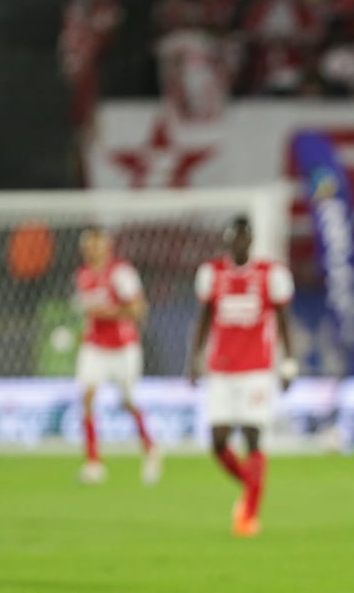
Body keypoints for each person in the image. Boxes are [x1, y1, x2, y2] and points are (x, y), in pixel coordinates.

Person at [188, 216, 297, 537]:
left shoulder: (269, 274)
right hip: (221, 368)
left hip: (256, 368)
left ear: (251, 240)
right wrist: (194, 358)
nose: (239, 242)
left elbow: (283, 319)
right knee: (218, 440)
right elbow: (205, 317)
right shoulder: (212, 274)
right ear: (227, 239)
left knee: (252, 435)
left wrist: (288, 361)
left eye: (244, 237)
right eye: (234, 236)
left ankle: (248, 514)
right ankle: (251, 484)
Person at [73, 225, 161, 485]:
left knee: (128, 401)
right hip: (95, 346)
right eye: (88, 245)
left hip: (123, 347)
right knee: (87, 396)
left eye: (96, 243)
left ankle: (150, 449)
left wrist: (105, 313)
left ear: (107, 245)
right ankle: (93, 463)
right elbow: (88, 312)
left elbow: (138, 309)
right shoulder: (82, 276)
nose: (91, 249)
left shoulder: (121, 273)